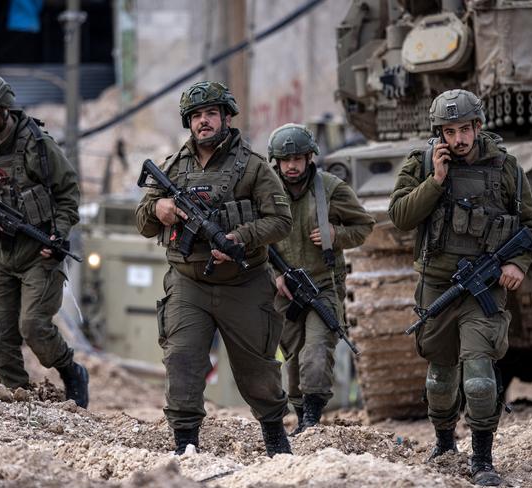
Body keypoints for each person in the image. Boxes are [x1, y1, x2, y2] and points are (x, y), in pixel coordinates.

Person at [388, 89, 532, 486]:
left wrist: (516, 264)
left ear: (478, 127)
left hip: (484, 289)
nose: (458, 139)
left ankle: (483, 458)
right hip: (438, 286)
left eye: (465, 129)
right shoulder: (421, 164)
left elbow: (531, 226)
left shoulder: (505, 167)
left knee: (477, 375)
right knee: (439, 377)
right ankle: (444, 441)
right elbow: (400, 217)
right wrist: (436, 181)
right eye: (449, 131)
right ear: (439, 133)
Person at [135, 81, 293, 457]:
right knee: (182, 360)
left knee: (257, 370)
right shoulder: (173, 167)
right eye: (196, 116)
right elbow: (142, 221)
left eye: (210, 114)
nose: (203, 122)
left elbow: (281, 220)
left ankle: (275, 439)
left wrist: (241, 237)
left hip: (245, 282)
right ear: (188, 123)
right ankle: (185, 445)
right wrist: (158, 210)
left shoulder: (253, 168)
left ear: (225, 117)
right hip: (188, 283)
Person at [0, 73, 88, 408]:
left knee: (34, 327)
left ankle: (71, 371)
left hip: (37, 256)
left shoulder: (39, 146)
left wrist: (58, 232)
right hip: (0, 257)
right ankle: (18, 401)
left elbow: (68, 192)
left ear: (4, 107)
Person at [267, 123, 375, 435]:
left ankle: (312, 419)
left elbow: (364, 225)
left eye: (298, 159)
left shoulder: (330, 189)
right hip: (284, 289)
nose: (291, 166)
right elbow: (254, 238)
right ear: (276, 161)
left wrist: (335, 234)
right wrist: (274, 274)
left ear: (310, 158)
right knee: (293, 359)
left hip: (322, 285)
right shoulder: (267, 192)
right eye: (285, 160)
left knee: (315, 352)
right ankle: (301, 417)